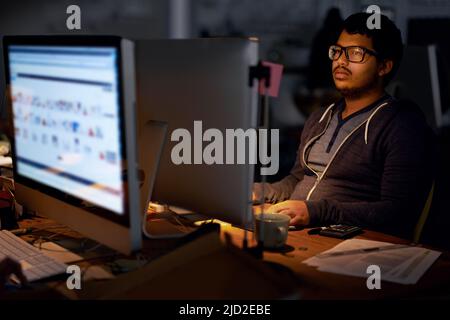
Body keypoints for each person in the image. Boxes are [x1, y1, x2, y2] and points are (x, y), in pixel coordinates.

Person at [254, 12, 436, 238]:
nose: (340, 60)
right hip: (298, 229)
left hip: (348, 244)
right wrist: (261, 191)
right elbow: (296, 179)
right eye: (338, 51)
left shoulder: (400, 125)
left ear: (384, 66)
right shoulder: (320, 118)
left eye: (356, 53)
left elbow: (397, 212)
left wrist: (315, 211)